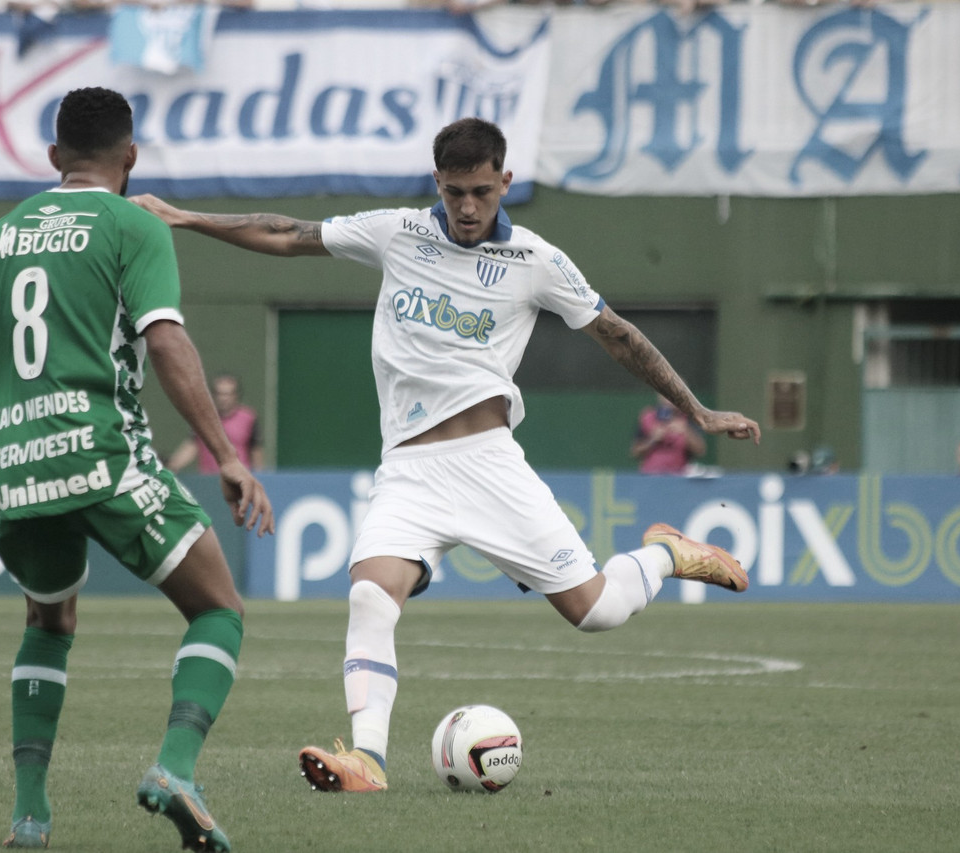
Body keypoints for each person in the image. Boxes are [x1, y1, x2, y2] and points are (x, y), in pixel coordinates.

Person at [130, 116, 760, 795]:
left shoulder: (535, 262)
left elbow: (617, 334)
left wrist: (696, 409)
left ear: (506, 182)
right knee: (371, 592)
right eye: (455, 191)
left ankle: (666, 552)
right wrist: (181, 216)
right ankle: (367, 759)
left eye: (482, 191)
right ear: (437, 181)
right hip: (407, 471)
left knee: (598, 609)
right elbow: (289, 234)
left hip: (489, 465)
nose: (466, 206)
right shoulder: (398, 232)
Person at [0, 87, 273, 851]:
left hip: (16, 472)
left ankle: (30, 814)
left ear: (53, 158)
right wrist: (227, 456)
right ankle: (176, 766)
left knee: (49, 622)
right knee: (219, 608)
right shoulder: (132, 223)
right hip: (102, 455)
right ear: (131, 157)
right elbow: (168, 341)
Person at [166, 373, 264, 474]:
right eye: (220, 394)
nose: (224, 398)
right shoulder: (203, 418)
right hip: (209, 480)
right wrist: (172, 465)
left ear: (236, 395)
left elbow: (256, 450)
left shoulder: (249, 418)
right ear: (213, 395)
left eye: (228, 394)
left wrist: (259, 477)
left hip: (239, 480)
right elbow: (193, 445)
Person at [630, 393, 706, 474]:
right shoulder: (648, 417)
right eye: (666, 392)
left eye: (674, 392)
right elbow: (635, 451)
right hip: (651, 476)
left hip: (679, 475)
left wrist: (685, 430)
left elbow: (700, 450)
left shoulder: (688, 418)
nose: (669, 399)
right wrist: (653, 439)